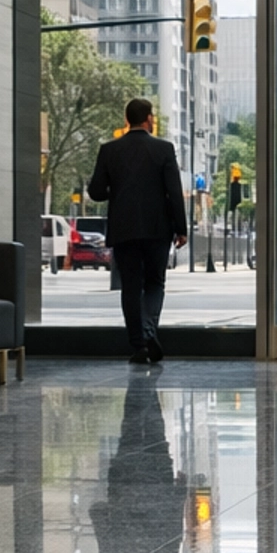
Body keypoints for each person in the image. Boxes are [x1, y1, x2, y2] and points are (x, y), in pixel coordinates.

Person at [87, 98, 189, 365]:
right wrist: (181, 228)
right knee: (155, 282)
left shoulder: (109, 150)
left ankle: (138, 346)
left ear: (127, 119)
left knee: (130, 286)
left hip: (124, 228)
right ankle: (149, 331)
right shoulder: (164, 149)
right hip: (158, 228)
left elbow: (96, 192)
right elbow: (174, 192)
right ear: (148, 119)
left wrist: (119, 192)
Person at [89, 367, 187, 553]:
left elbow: (175, 525)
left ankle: (148, 382)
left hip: (158, 482)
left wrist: (180, 491)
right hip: (125, 481)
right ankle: (139, 381)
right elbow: (98, 513)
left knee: (154, 427)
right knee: (132, 427)